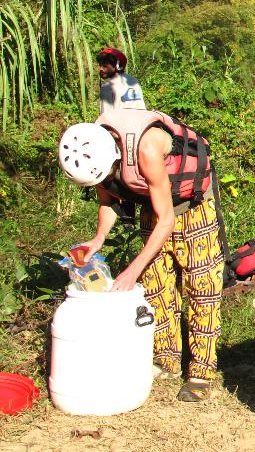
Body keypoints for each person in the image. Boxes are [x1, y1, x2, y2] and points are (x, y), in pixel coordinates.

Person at [57, 108, 224, 402]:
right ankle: (167, 359)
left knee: (201, 287)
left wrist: (131, 269)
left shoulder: (146, 148)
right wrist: (97, 240)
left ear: (112, 158)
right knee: (157, 287)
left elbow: (167, 220)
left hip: (191, 207)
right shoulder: (92, 146)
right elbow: (108, 201)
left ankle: (201, 371)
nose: (107, 178)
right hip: (154, 207)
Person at [96, 47, 145, 114]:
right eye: (100, 65)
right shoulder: (134, 82)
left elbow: (106, 117)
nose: (101, 69)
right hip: (142, 123)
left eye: (105, 66)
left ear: (117, 65)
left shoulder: (107, 87)